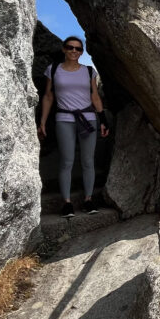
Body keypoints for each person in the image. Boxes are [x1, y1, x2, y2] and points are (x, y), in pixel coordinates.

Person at [37, 36, 109, 218]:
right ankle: (67, 203)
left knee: (87, 161)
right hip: (64, 118)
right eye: (70, 48)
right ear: (63, 49)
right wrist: (43, 122)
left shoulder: (88, 71)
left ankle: (88, 199)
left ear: (81, 52)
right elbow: (48, 97)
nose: (74, 51)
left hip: (88, 118)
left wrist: (103, 119)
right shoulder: (53, 70)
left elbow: (94, 97)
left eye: (78, 49)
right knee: (67, 161)